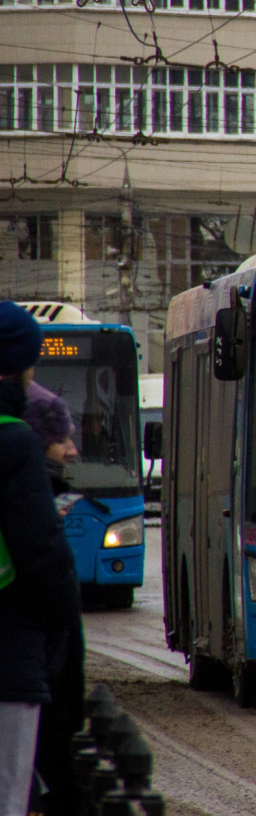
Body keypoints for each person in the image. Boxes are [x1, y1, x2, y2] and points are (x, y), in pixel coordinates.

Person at [0, 302, 80, 816]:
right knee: (11, 789)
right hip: (9, 653)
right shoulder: (13, 440)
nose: (69, 450)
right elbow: (42, 555)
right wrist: (61, 632)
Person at [23, 383, 83, 816]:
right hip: (32, 689)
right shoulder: (30, 509)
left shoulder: (41, 500)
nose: (73, 450)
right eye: (61, 439)